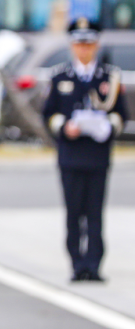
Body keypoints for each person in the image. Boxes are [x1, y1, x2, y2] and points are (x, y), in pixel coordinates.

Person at [43, 17, 128, 282]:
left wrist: (108, 127)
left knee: (94, 214)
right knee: (73, 213)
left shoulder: (109, 77)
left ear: (96, 45)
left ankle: (93, 264)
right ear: (72, 46)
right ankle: (77, 264)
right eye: (79, 44)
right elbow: (49, 114)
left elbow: (121, 114)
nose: (84, 49)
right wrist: (64, 127)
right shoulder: (60, 76)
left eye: (89, 44)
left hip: (97, 156)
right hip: (70, 155)